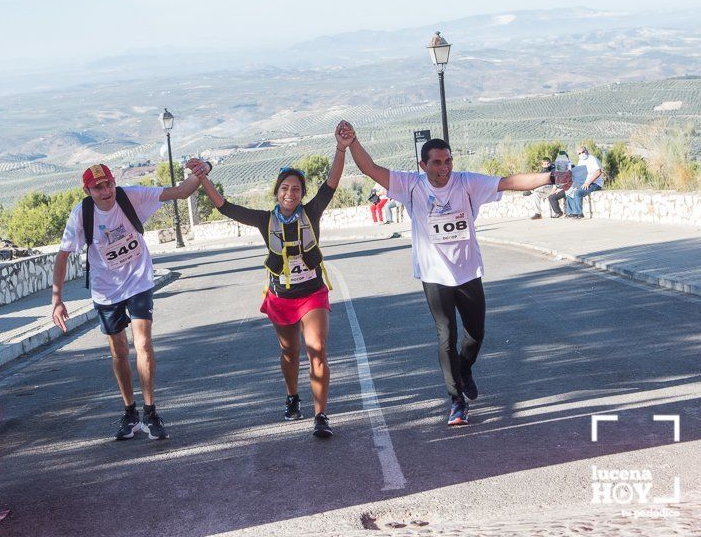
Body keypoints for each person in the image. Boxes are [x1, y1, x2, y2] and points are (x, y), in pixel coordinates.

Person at [343, 122, 571, 426]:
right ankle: (456, 401)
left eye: (448, 161)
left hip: (467, 272)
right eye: (436, 162)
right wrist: (353, 141)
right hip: (434, 275)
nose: (444, 168)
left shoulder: (466, 183)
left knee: (476, 334)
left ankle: (465, 370)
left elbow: (509, 182)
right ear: (422, 165)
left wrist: (551, 177)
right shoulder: (410, 184)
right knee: (446, 334)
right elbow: (370, 168)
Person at [196, 122, 352, 438]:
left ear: (302, 194)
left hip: (312, 294)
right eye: (285, 188)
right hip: (281, 296)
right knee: (289, 353)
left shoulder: (312, 212)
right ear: (277, 192)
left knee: (317, 350)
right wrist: (203, 179)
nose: (290, 193)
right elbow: (225, 208)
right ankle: (292, 396)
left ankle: (321, 416)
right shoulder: (264, 220)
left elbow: (332, 184)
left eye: (296, 188)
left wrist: (340, 147)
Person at [51, 160, 210, 441]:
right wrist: (57, 300)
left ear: (115, 182)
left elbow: (181, 192)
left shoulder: (130, 197)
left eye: (109, 184)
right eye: (97, 187)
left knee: (144, 343)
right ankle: (130, 412)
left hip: (138, 281)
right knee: (119, 352)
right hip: (106, 290)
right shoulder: (81, 215)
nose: (105, 191)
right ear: (87, 190)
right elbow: (63, 255)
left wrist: (204, 168)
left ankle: (150, 412)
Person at [566, 146, 604, 219]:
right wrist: (576, 184)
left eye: (583, 152)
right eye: (579, 153)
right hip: (583, 182)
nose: (582, 154)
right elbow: (580, 174)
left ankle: (579, 213)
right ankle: (571, 212)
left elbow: (598, 172)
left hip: (594, 183)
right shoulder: (581, 161)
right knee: (570, 191)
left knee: (578, 193)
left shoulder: (593, 159)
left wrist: (588, 183)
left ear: (587, 151)